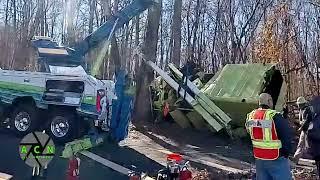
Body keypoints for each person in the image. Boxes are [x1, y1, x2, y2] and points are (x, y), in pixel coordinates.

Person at [245, 93, 294, 180]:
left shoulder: (250, 116)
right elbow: (286, 136)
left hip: (259, 158)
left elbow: (249, 134)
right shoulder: (274, 116)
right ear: (269, 101)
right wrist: (286, 153)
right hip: (276, 157)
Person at [293, 96, 314, 162]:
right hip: (305, 130)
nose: (298, 106)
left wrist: (300, 128)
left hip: (308, 130)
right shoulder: (302, 109)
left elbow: (307, 121)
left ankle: (295, 159)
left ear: (302, 104)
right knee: (301, 145)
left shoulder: (307, 110)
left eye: (299, 104)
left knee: (303, 145)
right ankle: (295, 159)